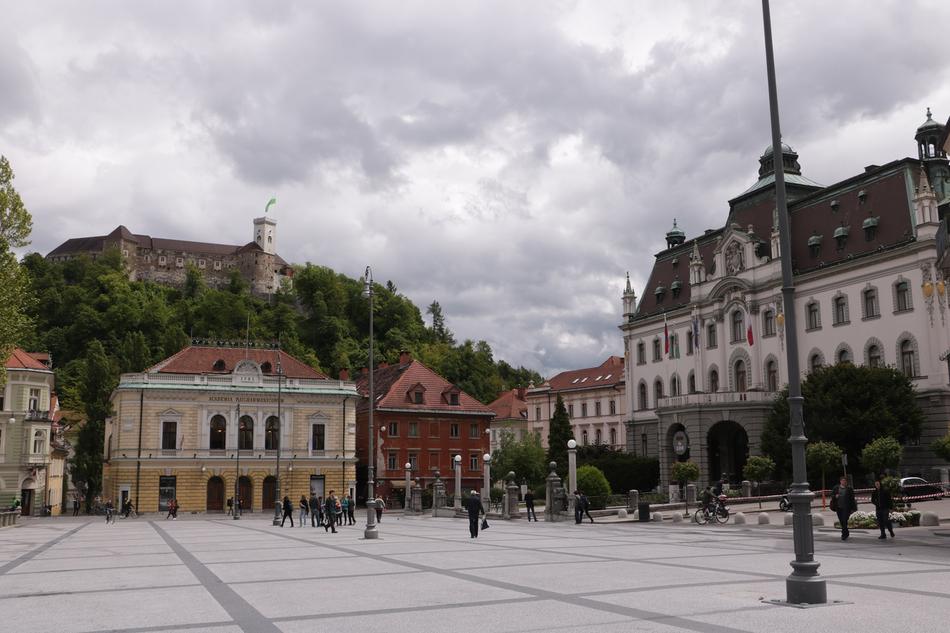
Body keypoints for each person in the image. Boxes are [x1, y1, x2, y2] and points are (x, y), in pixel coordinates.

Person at [831, 476, 857, 541]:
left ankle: (844, 535)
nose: (844, 482)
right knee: (842, 521)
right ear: (840, 481)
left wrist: (854, 508)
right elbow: (832, 495)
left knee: (844, 520)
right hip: (838, 507)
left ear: (846, 482)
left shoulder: (849, 489)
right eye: (842, 481)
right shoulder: (836, 488)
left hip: (846, 508)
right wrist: (835, 496)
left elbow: (852, 499)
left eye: (845, 481)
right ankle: (846, 532)